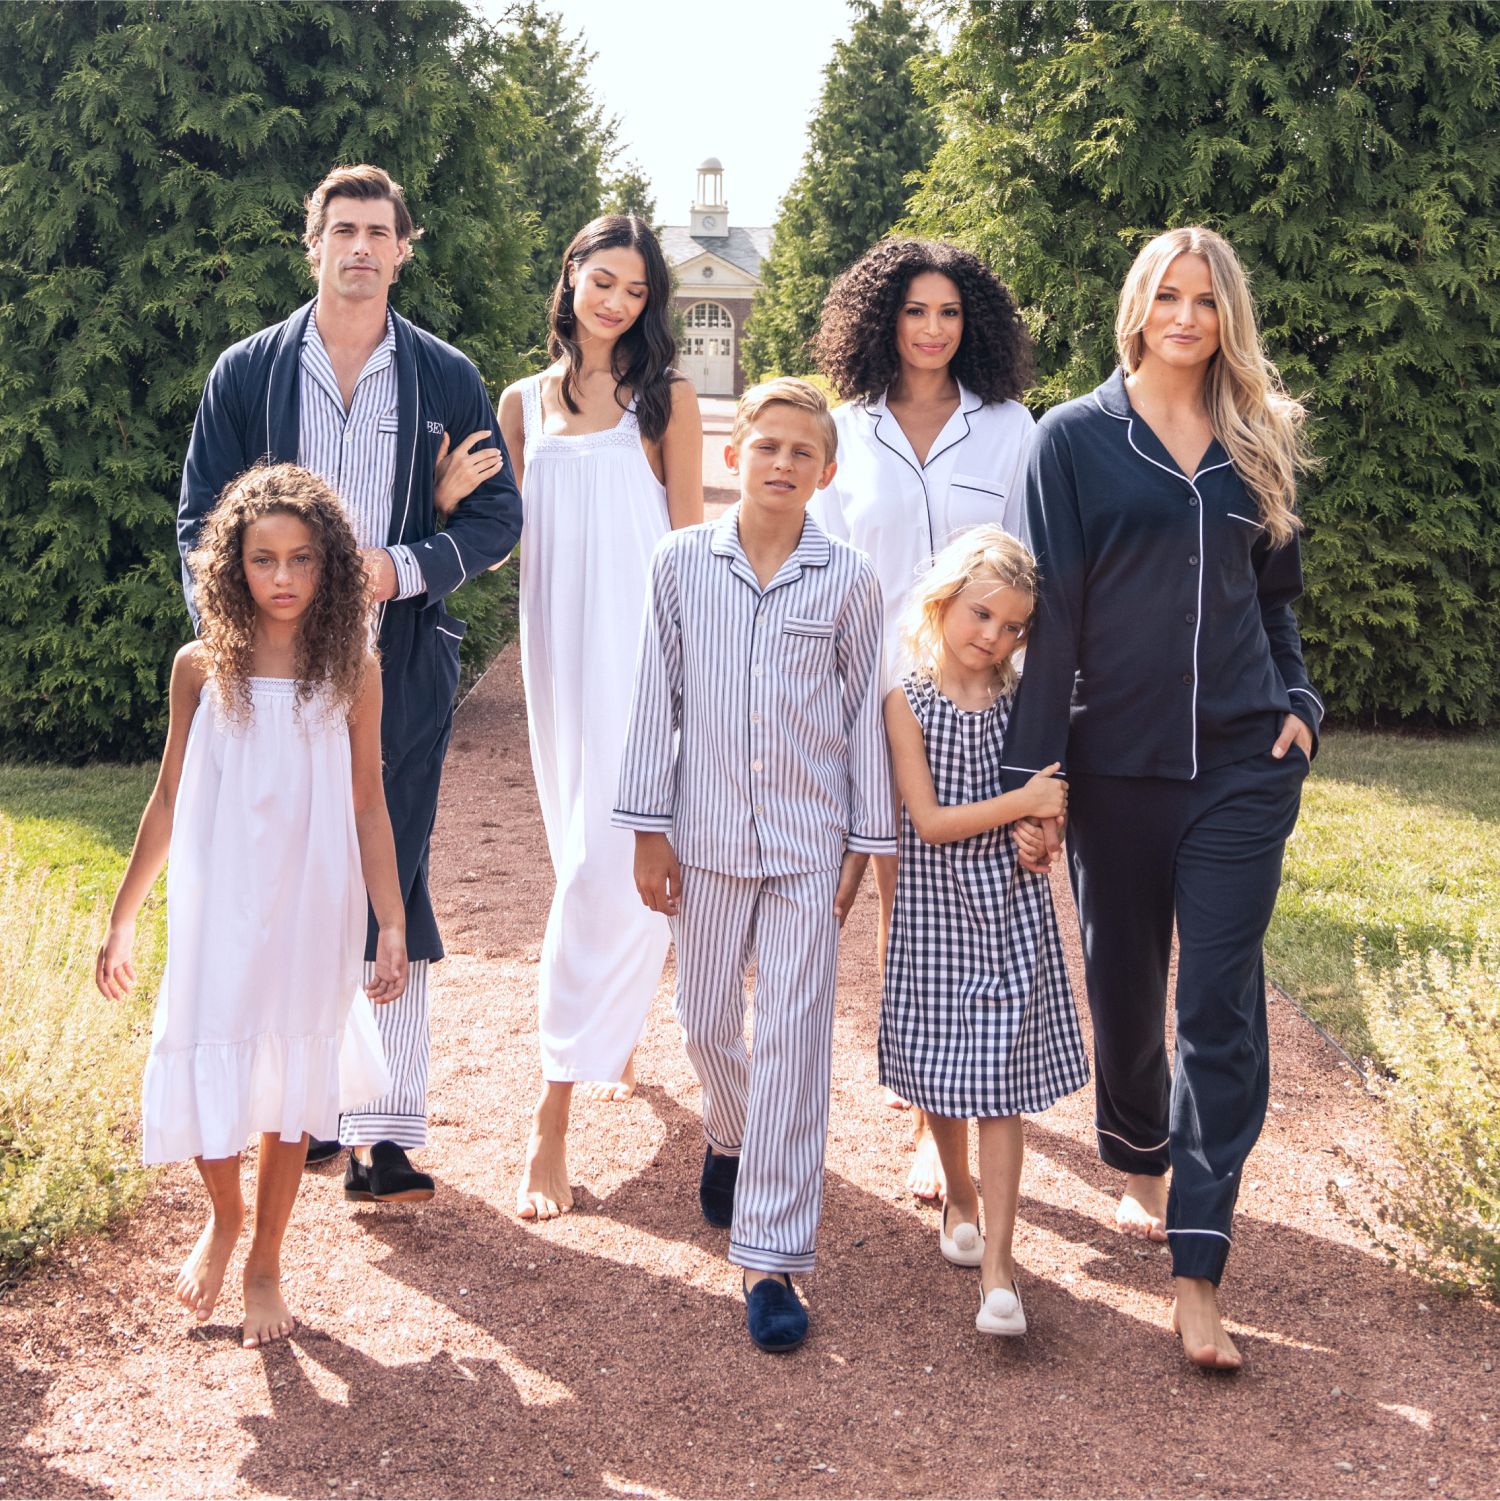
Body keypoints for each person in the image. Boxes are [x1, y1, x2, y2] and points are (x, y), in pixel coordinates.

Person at [1005, 226, 1321, 1370]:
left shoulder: (1259, 439)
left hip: (1243, 762)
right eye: (1168, 296)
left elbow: (1275, 597)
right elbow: (1055, 625)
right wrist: (1033, 780)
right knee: (1125, 986)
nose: (1186, 316)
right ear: (1137, 305)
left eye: (1206, 300)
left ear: (1227, 315)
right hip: (1116, 766)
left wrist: (1299, 704)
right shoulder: (1073, 441)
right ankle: (1137, 1143)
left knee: (1219, 1005)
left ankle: (1199, 1263)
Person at [177, 165, 523, 1204]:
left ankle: (386, 1130)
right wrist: (238, 653)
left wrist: (401, 564)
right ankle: (302, 1104)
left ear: (404, 248)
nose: (362, 247)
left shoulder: (445, 376)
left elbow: (497, 518)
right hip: (269, 682)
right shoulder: (249, 373)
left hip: (398, 667)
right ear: (313, 242)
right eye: (344, 230)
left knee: (393, 875)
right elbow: (201, 518)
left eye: (380, 231)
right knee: (286, 888)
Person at [95, 466, 406, 1349]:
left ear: (330, 568)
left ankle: (266, 1257)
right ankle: (223, 1215)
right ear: (231, 566)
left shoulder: (353, 668)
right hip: (218, 897)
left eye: (302, 559)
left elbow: (369, 803)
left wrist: (389, 920)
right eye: (263, 558)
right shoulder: (199, 668)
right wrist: (123, 916)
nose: (282, 577)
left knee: (285, 1084)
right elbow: (165, 796)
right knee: (208, 1049)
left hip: (312, 900)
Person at [614, 378, 894, 1353]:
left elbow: (864, 719)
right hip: (707, 840)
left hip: (811, 847)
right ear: (736, 458)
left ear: (825, 470)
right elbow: (658, 695)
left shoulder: (850, 580)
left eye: (799, 451)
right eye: (764, 445)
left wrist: (866, 845)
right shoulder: (681, 563)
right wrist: (648, 826)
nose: (780, 463)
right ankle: (728, 1131)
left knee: (794, 1042)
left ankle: (771, 1257)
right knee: (705, 1026)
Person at [479, 215, 703, 1221]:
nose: (615, 301)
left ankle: (550, 1117)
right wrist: (452, 503)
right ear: (569, 278)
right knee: (586, 850)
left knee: (600, 864)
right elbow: (518, 538)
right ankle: (605, 1038)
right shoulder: (520, 404)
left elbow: (693, 545)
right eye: (601, 280)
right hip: (559, 655)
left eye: (635, 290)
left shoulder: (667, 400)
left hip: (643, 653)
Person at [810, 238, 1036, 1203]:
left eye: (948, 313)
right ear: (882, 321)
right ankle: (927, 1103)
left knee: (954, 900)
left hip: (975, 702)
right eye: (914, 312)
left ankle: (933, 1109)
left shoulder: (1011, 429)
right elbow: (818, 562)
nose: (932, 330)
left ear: (970, 322)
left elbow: (1031, 573)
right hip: (870, 693)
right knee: (882, 890)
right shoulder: (844, 431)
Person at [879, 525, 1088, 1335]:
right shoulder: (909, 700)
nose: (994, 636)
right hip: (934, 905)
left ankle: (999, 1266)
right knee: (941, 1073)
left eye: (1013, 626)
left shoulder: (1026, 699)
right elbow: (927, 821)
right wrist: (1024, 807)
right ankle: (958, 1195)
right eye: (981, 615)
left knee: (999, 1085)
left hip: (1007, 907)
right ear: (942, 601)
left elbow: (1047, 797)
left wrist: (1043, 829)